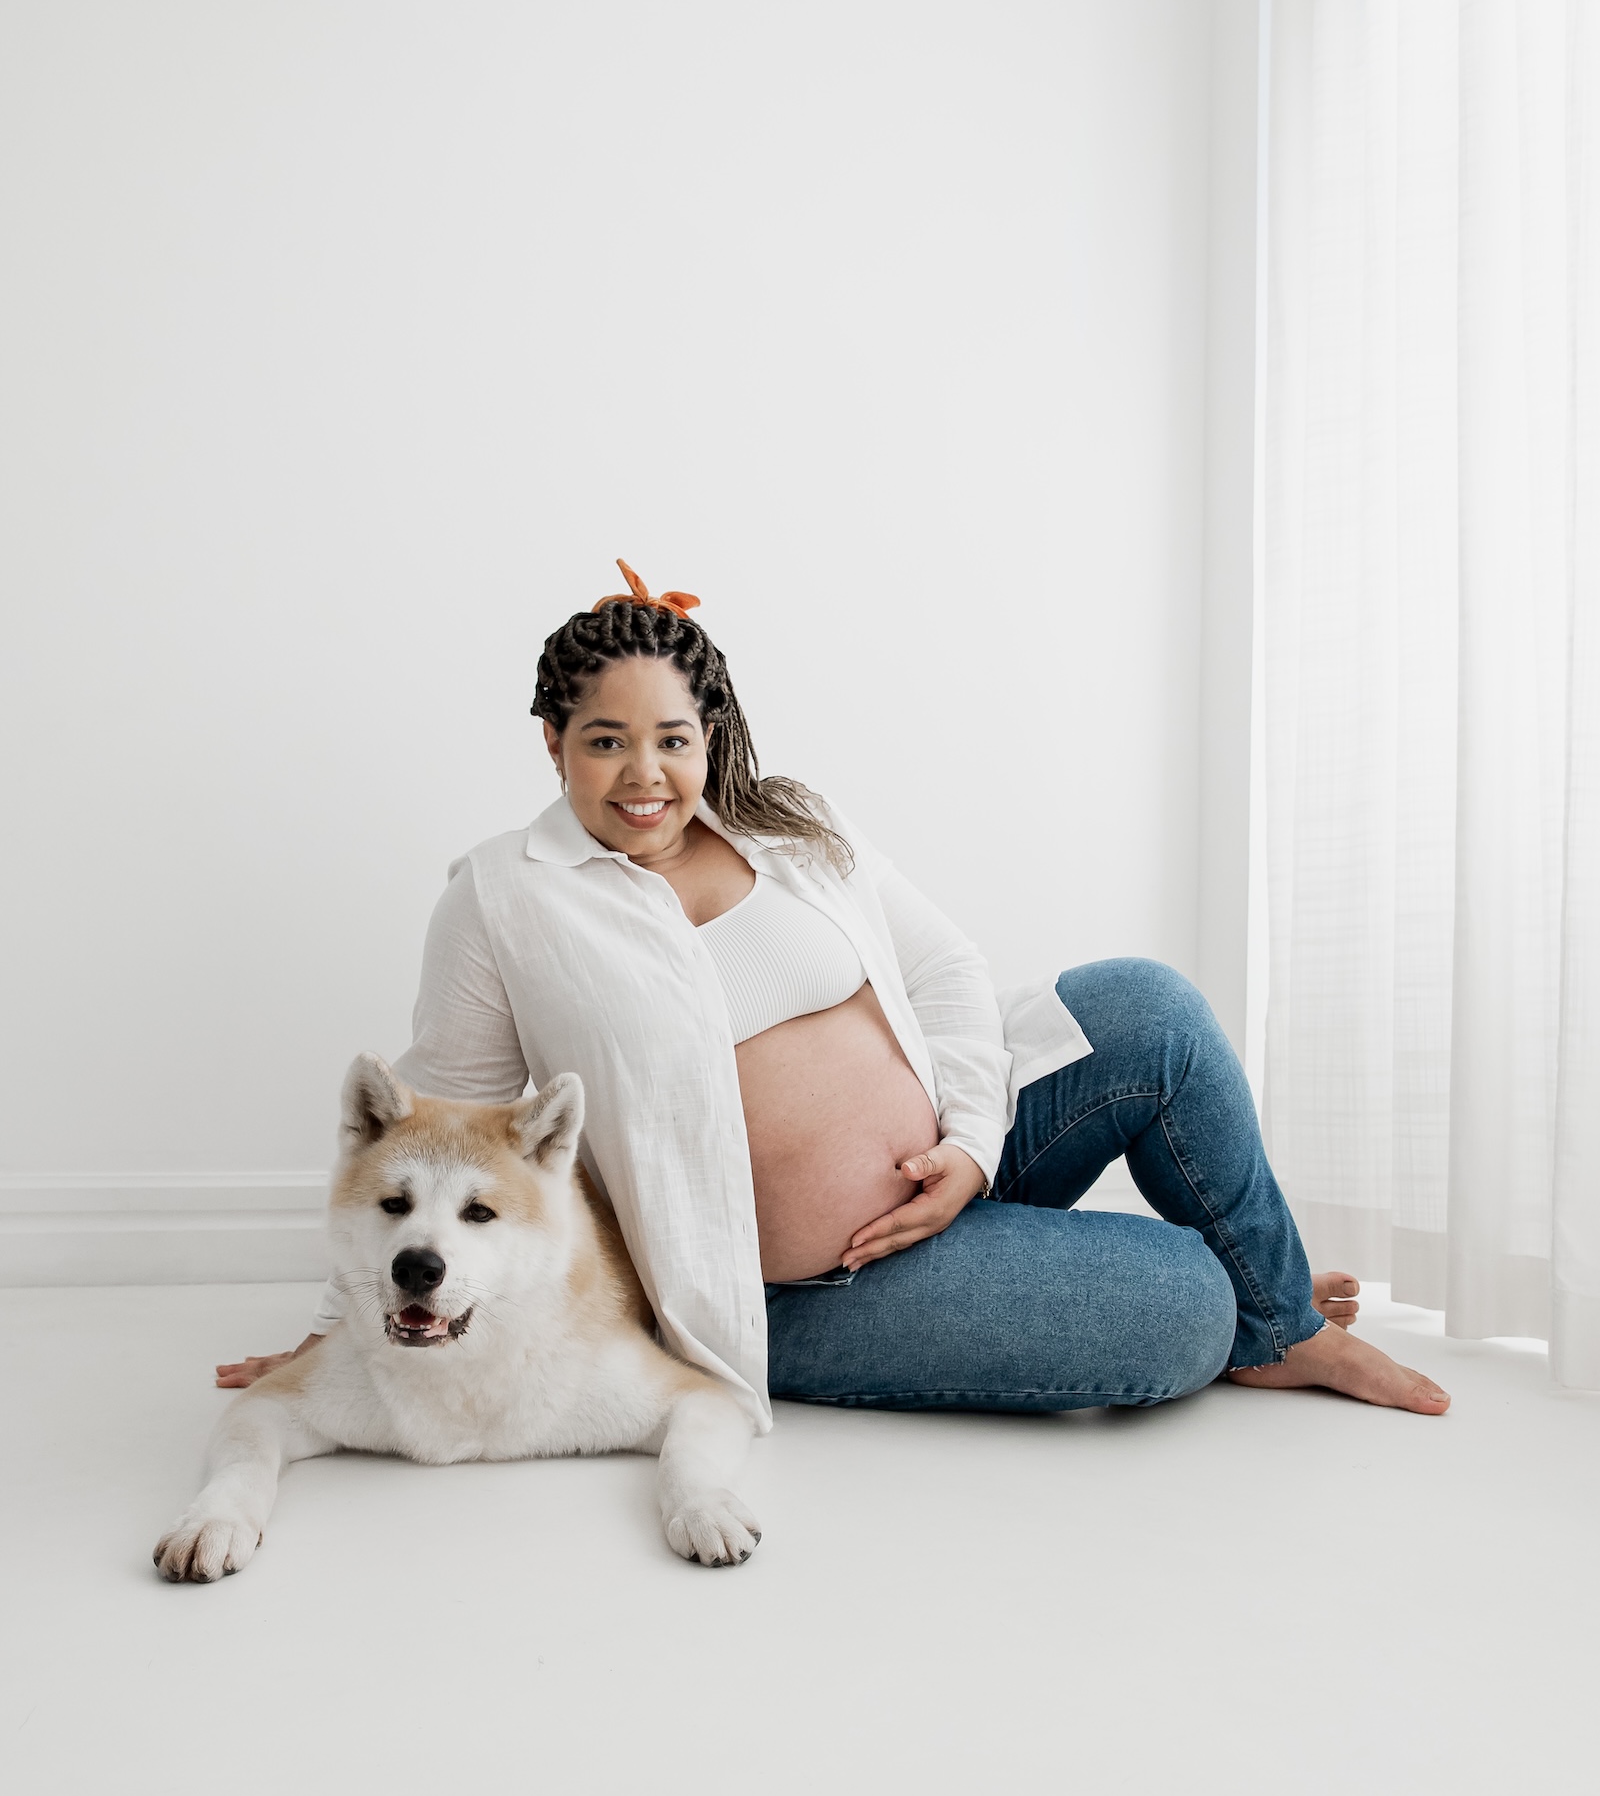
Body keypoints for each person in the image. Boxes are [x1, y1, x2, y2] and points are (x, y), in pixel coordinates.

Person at [218, 562, 1449, 1422]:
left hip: (956, 1167)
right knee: (1182, 1307)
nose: (644, 776)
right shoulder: (504, 897)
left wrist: (970, 1148)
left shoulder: (787, 821)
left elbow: (948, 972)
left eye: (673, 739)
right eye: (605, 741)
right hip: (817, 1283)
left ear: (710, 734)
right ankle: (1247, 1295)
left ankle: (1280, 1329)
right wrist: (353, 1322)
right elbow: (441, 1145)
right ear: (553, 740)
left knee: (1146, 1007)